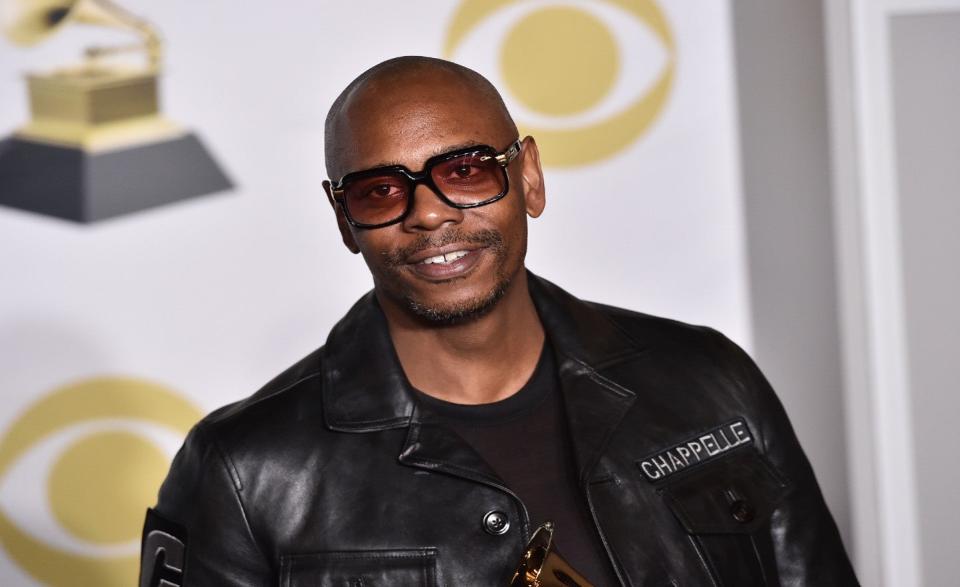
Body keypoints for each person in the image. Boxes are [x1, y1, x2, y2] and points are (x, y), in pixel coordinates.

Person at [139, 56, 859, 586]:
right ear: (344, 219)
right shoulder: (242, 469)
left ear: (529, 178)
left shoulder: (708, 379)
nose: (428, 212)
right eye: (380, 188)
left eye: (465, 170)